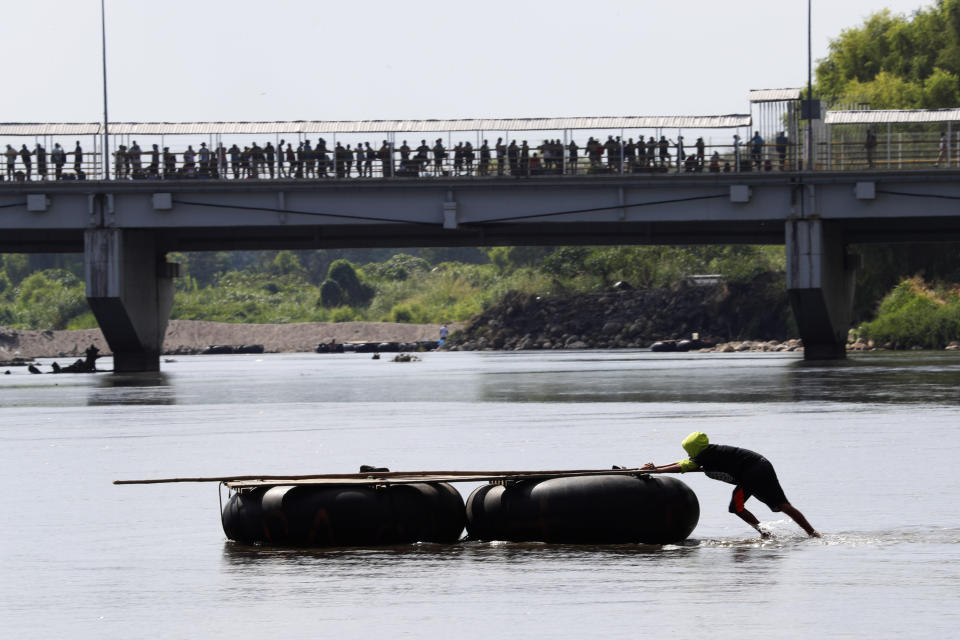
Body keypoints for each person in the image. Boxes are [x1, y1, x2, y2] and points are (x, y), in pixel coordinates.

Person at [642, 431, 821, 539]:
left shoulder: (707, 454)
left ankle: (767, 533)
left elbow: (684, 466)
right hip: (762, 465)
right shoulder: (709, 451)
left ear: (694, 448)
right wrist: (657, 468)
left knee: (736, 507)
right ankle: (811, 533)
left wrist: (656, 470)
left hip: (753, 472)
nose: (688, 453)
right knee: (782, 505)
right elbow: (685, 463)